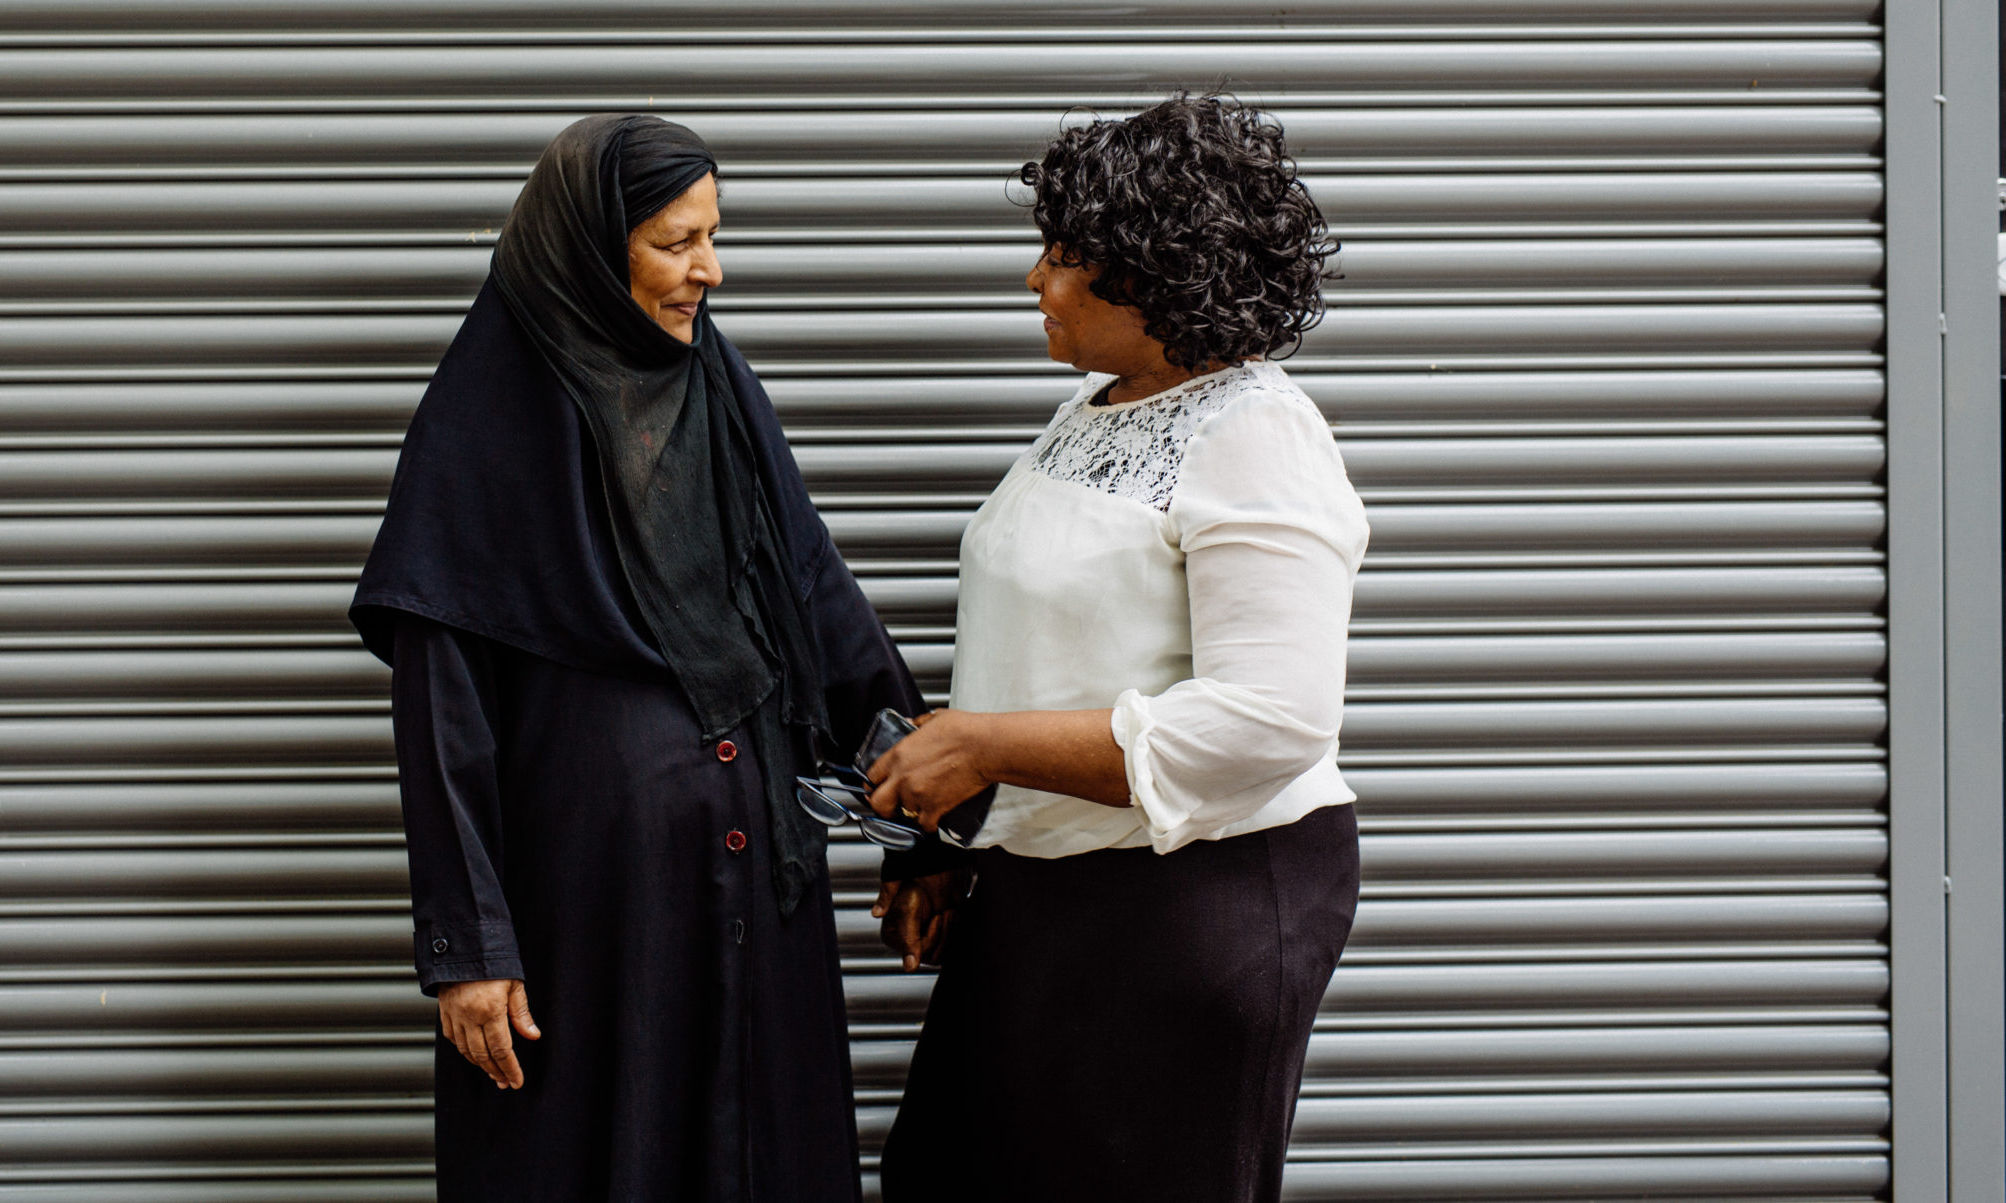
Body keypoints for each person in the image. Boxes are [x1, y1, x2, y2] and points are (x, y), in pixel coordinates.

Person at [351, 112, 930, 1203]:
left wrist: (922, 818)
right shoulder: (485, 419)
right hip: (588, 906)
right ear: (584, 246)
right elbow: (441, 712)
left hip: (761, 879)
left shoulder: (716, 388)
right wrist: (469, 947)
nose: (710, 271)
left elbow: (813, 593)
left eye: (713, 236)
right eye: (676, 243)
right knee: (586, 1152)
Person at [867, 93, 1368, 1203]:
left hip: (1193, 909)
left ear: (1150, 274)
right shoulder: (1098, 409)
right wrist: (959, 838)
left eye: (1061, 256)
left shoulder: (1256, 436)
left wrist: (984, 748)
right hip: (1054, 897)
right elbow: (1049, 647)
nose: (1034, 281)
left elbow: (1269, 722)